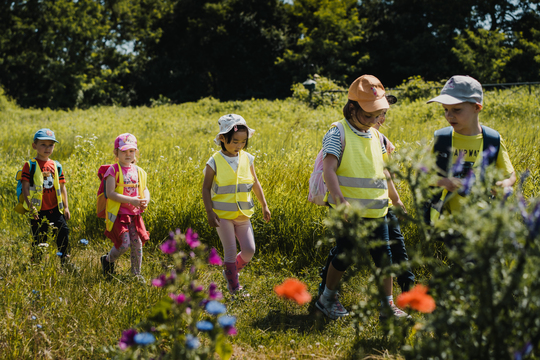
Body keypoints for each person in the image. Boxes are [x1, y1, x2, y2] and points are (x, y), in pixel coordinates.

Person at [315, 75, 410, 320]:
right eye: (368, 115)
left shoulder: (377, 137)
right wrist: (339, 201)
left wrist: (396, 199)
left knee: (384, 257)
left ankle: (386, 305)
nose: (373, 121)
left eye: (377, 116)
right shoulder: (338, 132)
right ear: (352, 108)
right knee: (345, 255)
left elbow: (384, 170)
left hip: (378, 210)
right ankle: (327, 298)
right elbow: (329, 169)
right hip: (350, 211)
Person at [426, 75, 516, 224]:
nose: (449, 115)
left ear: (477, 107)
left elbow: (510, 175)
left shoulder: (492, 139)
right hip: (449, 222)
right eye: (445, 109)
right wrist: (443, 182)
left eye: (457, 110)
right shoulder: (441, 139)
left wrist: (504, 184)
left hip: (484, 220)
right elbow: (422, 176)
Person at [202, 114, 271, 294]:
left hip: (243, 214)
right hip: (222, 215)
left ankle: (230, 272)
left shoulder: (248, 158)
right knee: (230, 251)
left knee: (249, 250)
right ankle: (234, 289)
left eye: (243, 142)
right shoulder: (214, 161)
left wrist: (264, 205)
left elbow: (255, 182)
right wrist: (209, 212)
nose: (239, 146)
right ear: (223, 139)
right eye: (235, 142)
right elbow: (206, 188)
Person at [100, 133, 150, 283]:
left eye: (131, 151)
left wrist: (145, 199)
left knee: (137, 244)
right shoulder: (112, 171)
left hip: (134, 214)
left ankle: (136, 274)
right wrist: (131, 200)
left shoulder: (139, 171)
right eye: (123, 151)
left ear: (136, 152)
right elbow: (110, 193)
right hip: (119, 214)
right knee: (124, 244)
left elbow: (145, 189)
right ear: (116, 153)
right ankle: (108, 260)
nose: (128, 154)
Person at [21, 128, 73, 268]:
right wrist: (31, 207)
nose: (47, 148)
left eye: (50, 145)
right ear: (34, 146)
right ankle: (36, 264)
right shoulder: (30, 165)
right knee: (39, 237)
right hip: (38, 211)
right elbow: (25, 187)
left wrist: (66, 207)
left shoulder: (56, 165)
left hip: (55, 209)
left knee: (63, 232)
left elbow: (62, 187)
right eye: (43, 144)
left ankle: (65, 260)